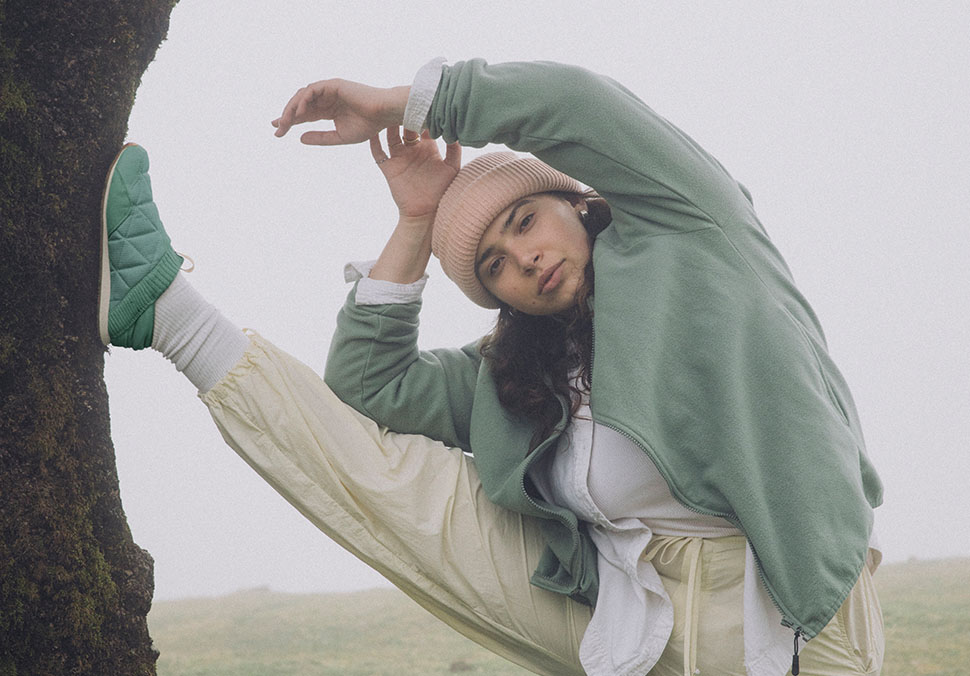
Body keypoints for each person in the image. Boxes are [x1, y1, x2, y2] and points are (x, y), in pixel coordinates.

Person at [100, 58, 884, 675]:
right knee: (400, 486)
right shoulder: (515, 372)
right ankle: (166, 312)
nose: (525, 258)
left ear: (574, 202)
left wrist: (404, 103)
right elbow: (367, 388)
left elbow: (578, 105)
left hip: (790, 614)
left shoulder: (695, 237)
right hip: (620, 605)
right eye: (497, 265)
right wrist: (415, 222)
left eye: (524, 222)